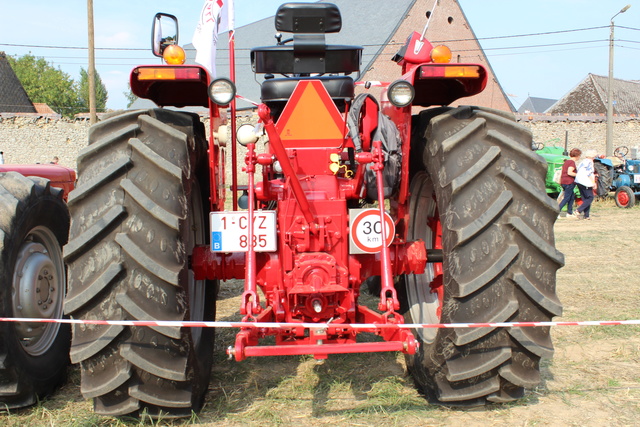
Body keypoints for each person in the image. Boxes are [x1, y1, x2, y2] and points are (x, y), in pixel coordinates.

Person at [573, 149, 598, 220]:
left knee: (585, 198)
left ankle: (586, 215)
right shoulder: (590, 162)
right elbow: (589, 173)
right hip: (585, 181)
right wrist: (593, 183)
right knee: (590, 197)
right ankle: (578, 210)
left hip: (578, 181)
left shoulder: (582, 162)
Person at [558, 148, 581, 216]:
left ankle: (569, 212)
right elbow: (569, 172)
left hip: (564, 181)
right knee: (566, 198)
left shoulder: (566, 161)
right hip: (569, 182)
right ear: (577, 156)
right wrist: (578, 175)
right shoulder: (571, 162)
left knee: (571, 197)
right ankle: (557, 211)